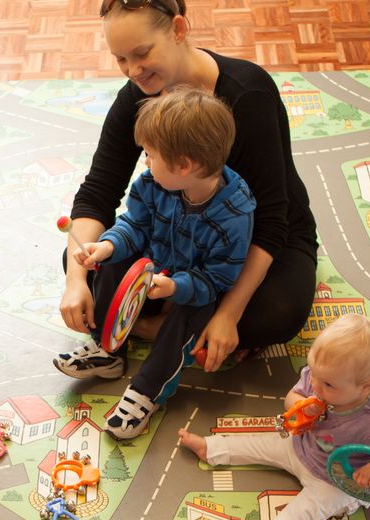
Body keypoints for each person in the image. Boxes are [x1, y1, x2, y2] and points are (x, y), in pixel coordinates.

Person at [59, 0, 317, 374]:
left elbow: (273, 220)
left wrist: (229, 315)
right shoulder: (136, 97)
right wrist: (75, 282)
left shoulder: (249, 93)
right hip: (171, 234)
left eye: (142, 53)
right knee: (83, 258)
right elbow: (98, 192)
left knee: (279, 313)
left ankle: (147, 326)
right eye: (120, 59)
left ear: (179, 30)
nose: (133, 71)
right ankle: (182, 325)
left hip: (253, 241)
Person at [57, 87, 254, 439]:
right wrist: (107, 246)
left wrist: (177, 287)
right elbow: (134, 224)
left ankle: (147, 390)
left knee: (195, 314)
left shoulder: (234, 214)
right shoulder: (152, 182)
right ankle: (107, 349)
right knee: (108, 259)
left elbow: (219, 279)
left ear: (184, 166)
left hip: (191, 284)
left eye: (150, 154)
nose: (145, 161)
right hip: (151, 267)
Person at [178, 314, 370, 520]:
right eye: (314, 374)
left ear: (367, 387)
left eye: (328, 385)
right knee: (262, 442)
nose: (316, 387)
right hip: (302, 447)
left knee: (300, 515)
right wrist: (299, 406)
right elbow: (292, 396)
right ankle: (212, 448)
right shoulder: (322, 375)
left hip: (334, 481)